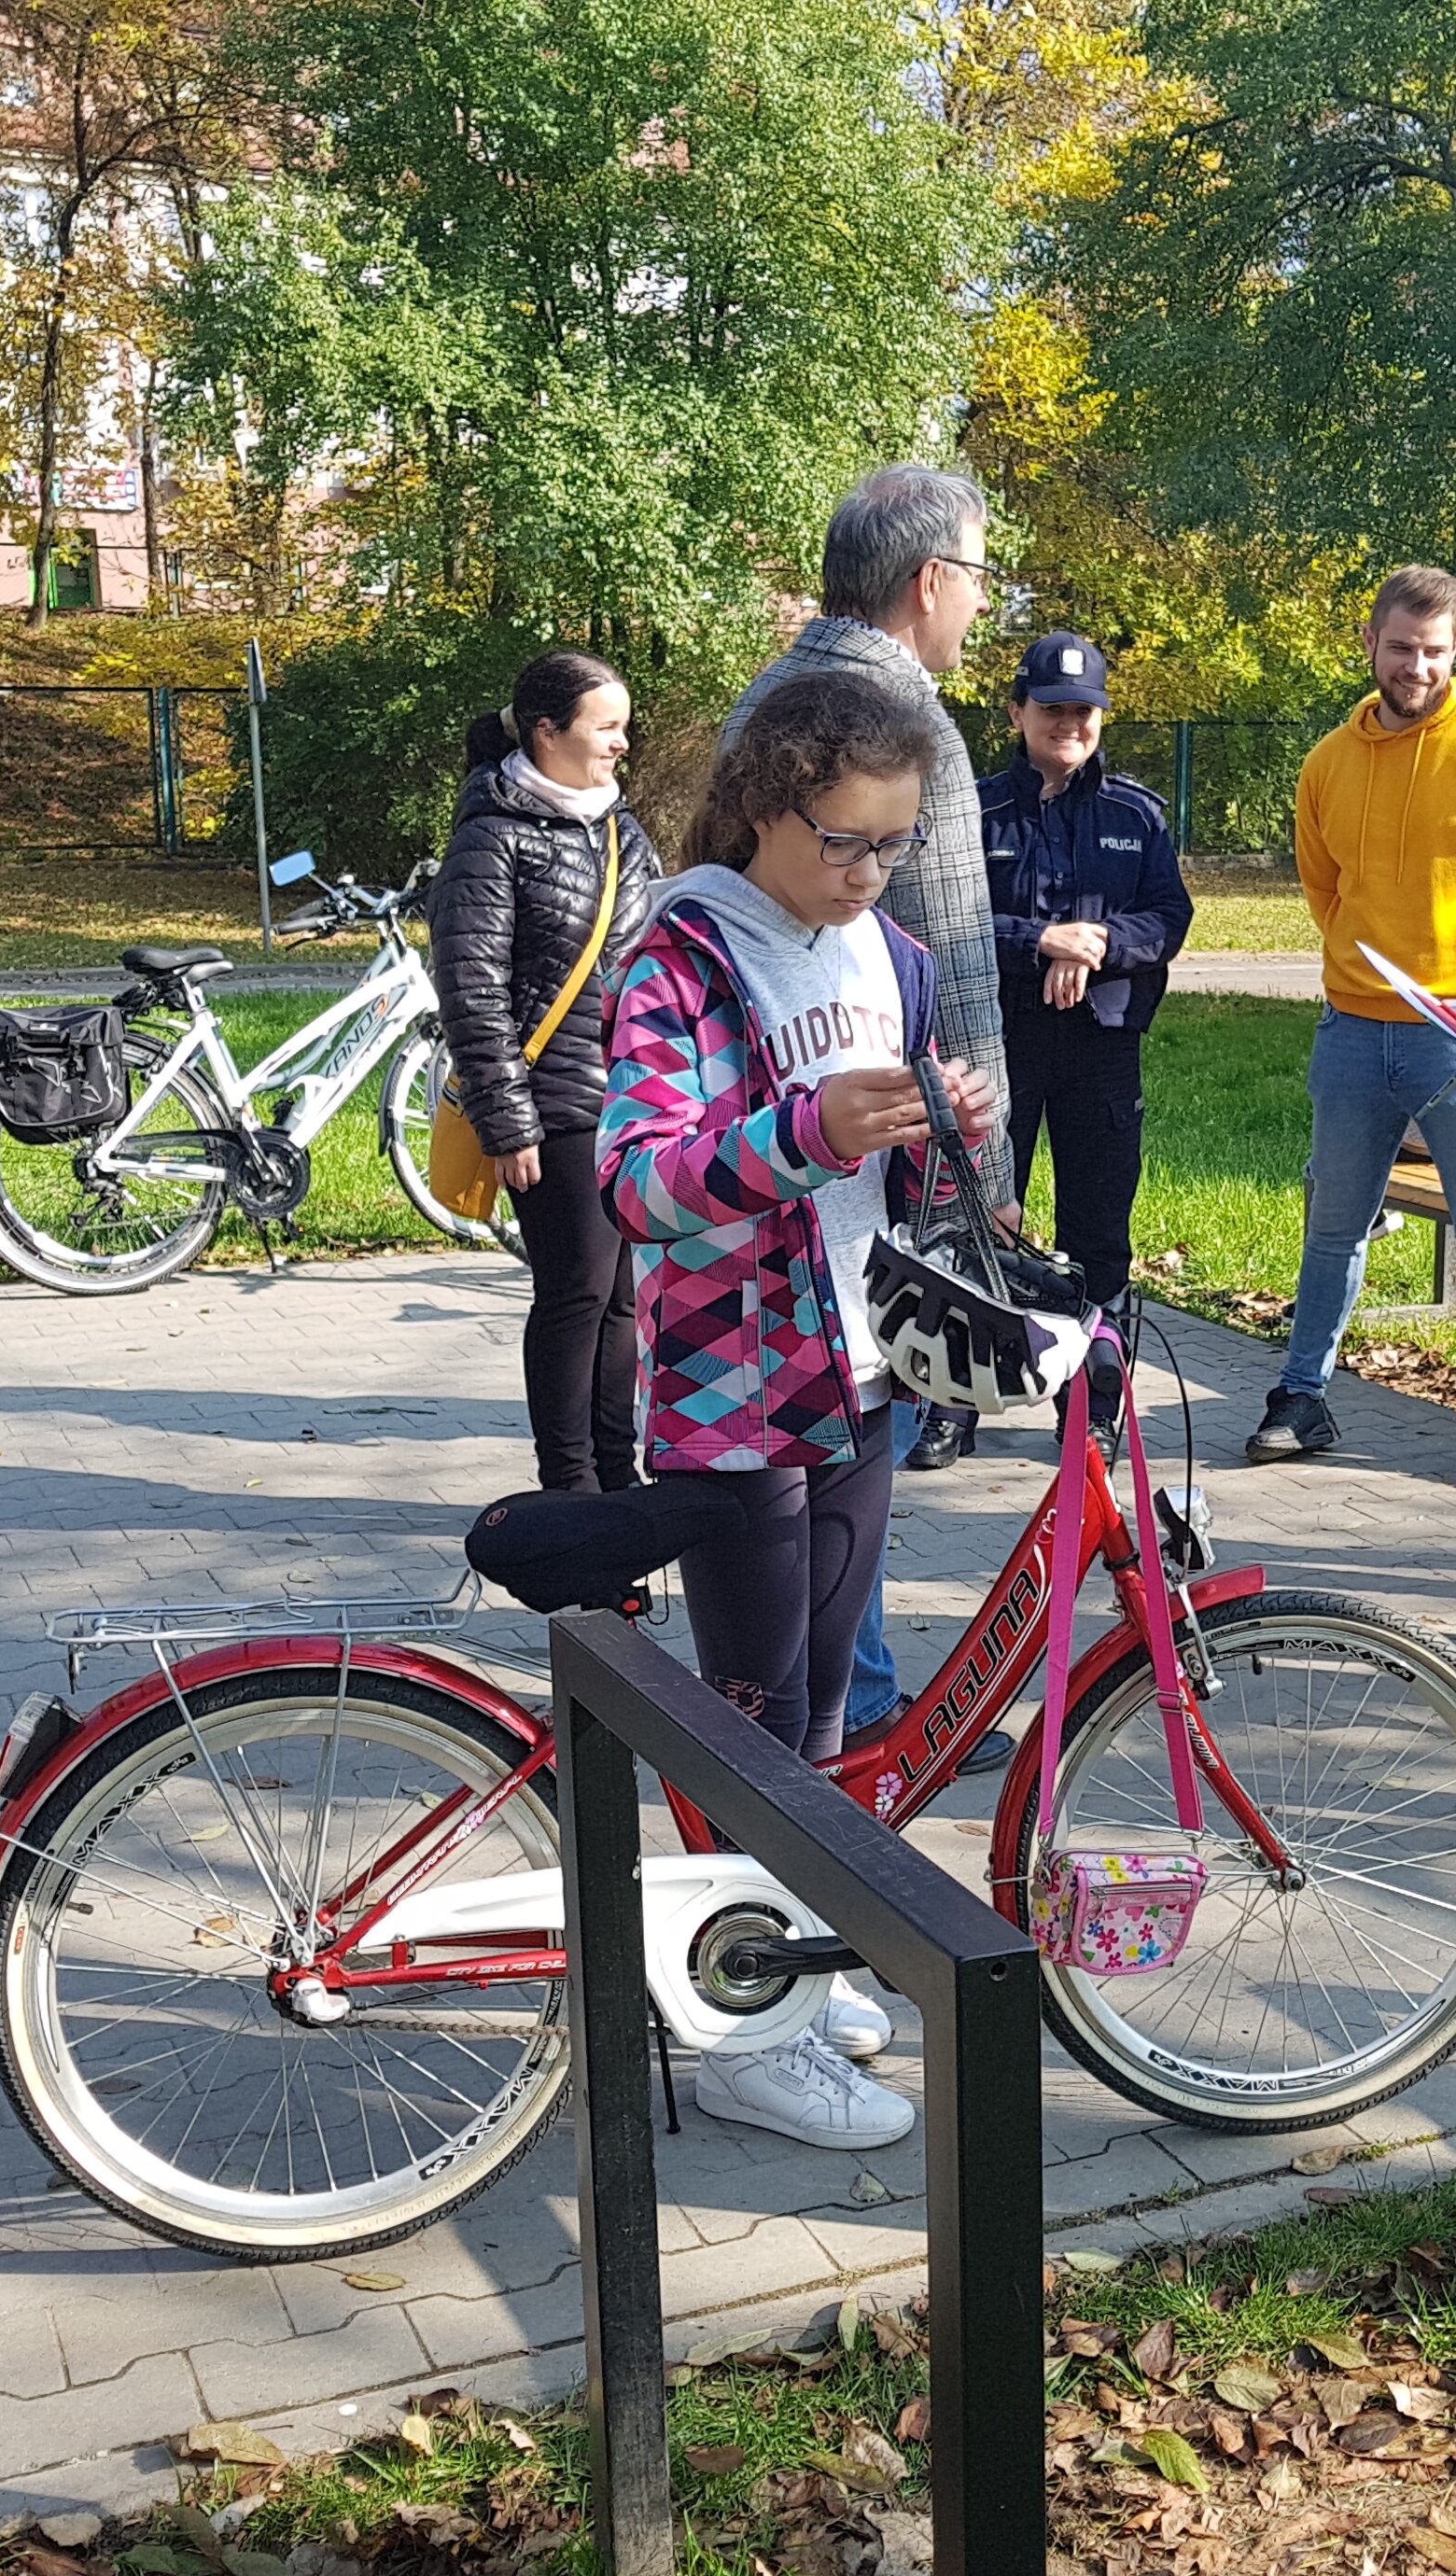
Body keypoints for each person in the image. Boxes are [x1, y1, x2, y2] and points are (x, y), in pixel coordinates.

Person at [597, 672, 999, 2150]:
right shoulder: (687, 956)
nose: (870, 873)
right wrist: (802, 1134)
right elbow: (636, 1182)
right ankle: (740, 2043)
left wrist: (939, 1131)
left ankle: (787, 1967)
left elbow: (892, 1174)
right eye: (845, 841)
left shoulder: (891, 955)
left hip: (862, 1374)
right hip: (733, 1397)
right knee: (753, 1727)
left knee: (824, 1711)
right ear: (766, 805)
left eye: (895, 844)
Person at [1247, 567, 1456, 1498]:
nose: (1416, 667)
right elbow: (1325, 886)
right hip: (1353, 1028)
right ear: (1370, 643)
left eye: (1433, 651)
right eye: (1400, 648)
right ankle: (1301, 1397)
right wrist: (1365, 966)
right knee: (1333, 1226)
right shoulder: (1329, 762)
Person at [720, 464, 1014, 1481]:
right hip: (856, 1166)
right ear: (930, 581)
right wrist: (987, 1179)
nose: (984, 602)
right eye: (980, 576)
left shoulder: (762, 698)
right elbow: (954, 967)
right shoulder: (911, 727)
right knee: (849, 1470)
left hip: (740, 1155)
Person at [431, 650, 664, 1495]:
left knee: (622, 1300)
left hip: (630, 1099)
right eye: (607, 727)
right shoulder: (492, 835)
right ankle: (568, 1485)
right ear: (546, 732)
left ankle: (615, 1475)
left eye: (624, 726)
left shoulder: (620, 829)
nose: (622, 743)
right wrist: (507, 1122)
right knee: (576, 1293)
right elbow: (471, 989)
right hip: (550, 1104)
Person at [979, 632, 1193, 1451]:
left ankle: (1092, 1412)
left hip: (1101, 1048)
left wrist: (1096, 943)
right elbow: (953, 924)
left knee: (1097, 1236)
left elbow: (1168, 918)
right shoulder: (975, 811)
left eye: (1084, 710)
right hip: (1001, 1042)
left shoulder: (1136, 814)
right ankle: (953, 1405)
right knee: (982, 1222)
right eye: (1052, 708)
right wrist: (1042, 940)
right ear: (1017, 712)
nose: (1069, 723)